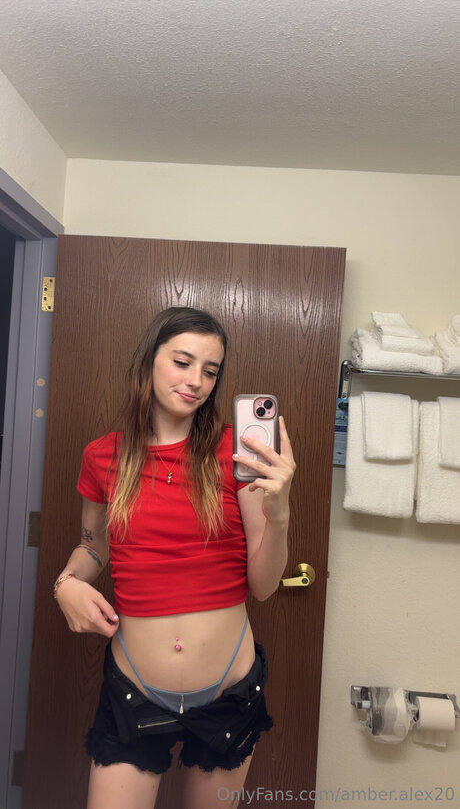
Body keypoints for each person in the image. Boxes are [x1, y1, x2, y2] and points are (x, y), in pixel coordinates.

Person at [54, 306, 295, 809]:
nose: (196, 381)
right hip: (135, 689)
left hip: (229, 689)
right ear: (149, 361)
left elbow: (264, 586)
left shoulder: (239, 454)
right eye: (183, 362)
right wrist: (68, 584)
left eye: (210, 371)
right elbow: (93, 546)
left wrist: (280, 514)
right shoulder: (103, 456)